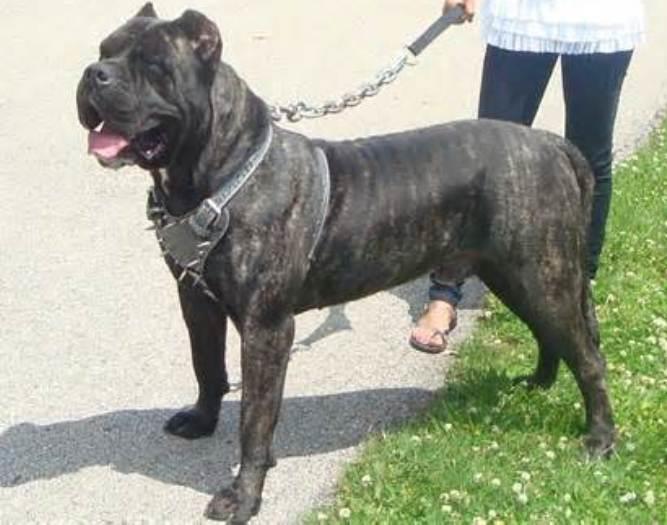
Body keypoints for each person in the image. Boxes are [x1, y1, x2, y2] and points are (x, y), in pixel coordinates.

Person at [409, 0, 645, 353]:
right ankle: (444, 295)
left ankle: (577, 291)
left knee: (588, 159)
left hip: (600, 17)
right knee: (487, 159)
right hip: (525, 13)